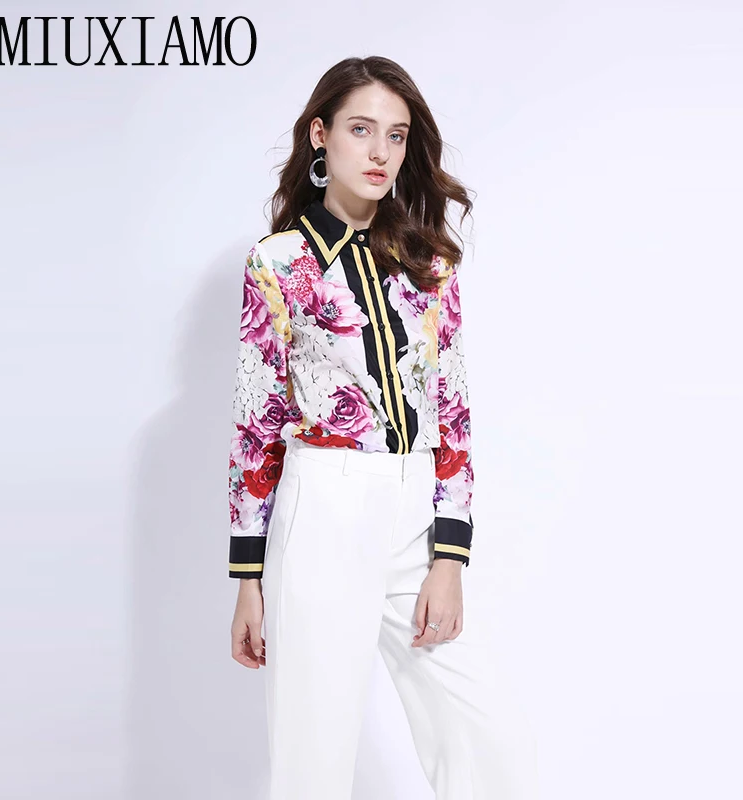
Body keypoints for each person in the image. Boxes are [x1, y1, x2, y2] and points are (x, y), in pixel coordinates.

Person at [227, 56, 538, 800]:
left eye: (395, 136)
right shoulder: (279, 263)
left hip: (414, 514)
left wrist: (449, 557)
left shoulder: (428, 262)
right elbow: (256, 425)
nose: (380, 152)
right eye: (361, 130)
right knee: (314, 760)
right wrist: (248, 580)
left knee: (489, 743)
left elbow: (453, 409)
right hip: (322, 511)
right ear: (320, 136)